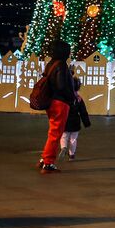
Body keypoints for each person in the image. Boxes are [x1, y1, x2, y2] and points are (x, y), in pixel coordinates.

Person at [38, 40, 75, 173]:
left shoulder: (51, 64)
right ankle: (48, 162)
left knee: (53, 132)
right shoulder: (61, 65)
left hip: (52, 102)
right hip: (60, 102)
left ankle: (44, 158)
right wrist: (71, 97)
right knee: (56, 133)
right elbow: (61, 86)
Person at [61, 76, 91, 160]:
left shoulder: (64, 98)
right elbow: (83, 112)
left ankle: (63, 147)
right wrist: (86, 122)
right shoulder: (79, 99)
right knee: (73, 139)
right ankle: (72, 155)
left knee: (64, 136)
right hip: (75, 122)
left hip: (65, 121)